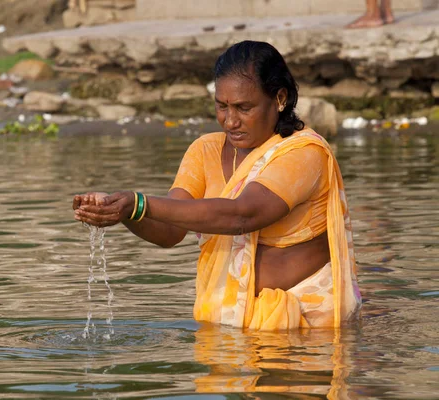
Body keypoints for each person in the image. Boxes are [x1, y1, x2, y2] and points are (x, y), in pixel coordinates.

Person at [73, 40, 361, 330]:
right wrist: (124, 212)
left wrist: (139, 202)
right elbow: (170, 231)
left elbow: (243, 214)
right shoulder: (205, 150)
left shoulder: (303, 153)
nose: (230, 121)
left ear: (280, 99)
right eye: (221, 106)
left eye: (243, 107)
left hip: (305, 332)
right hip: (225, 325)